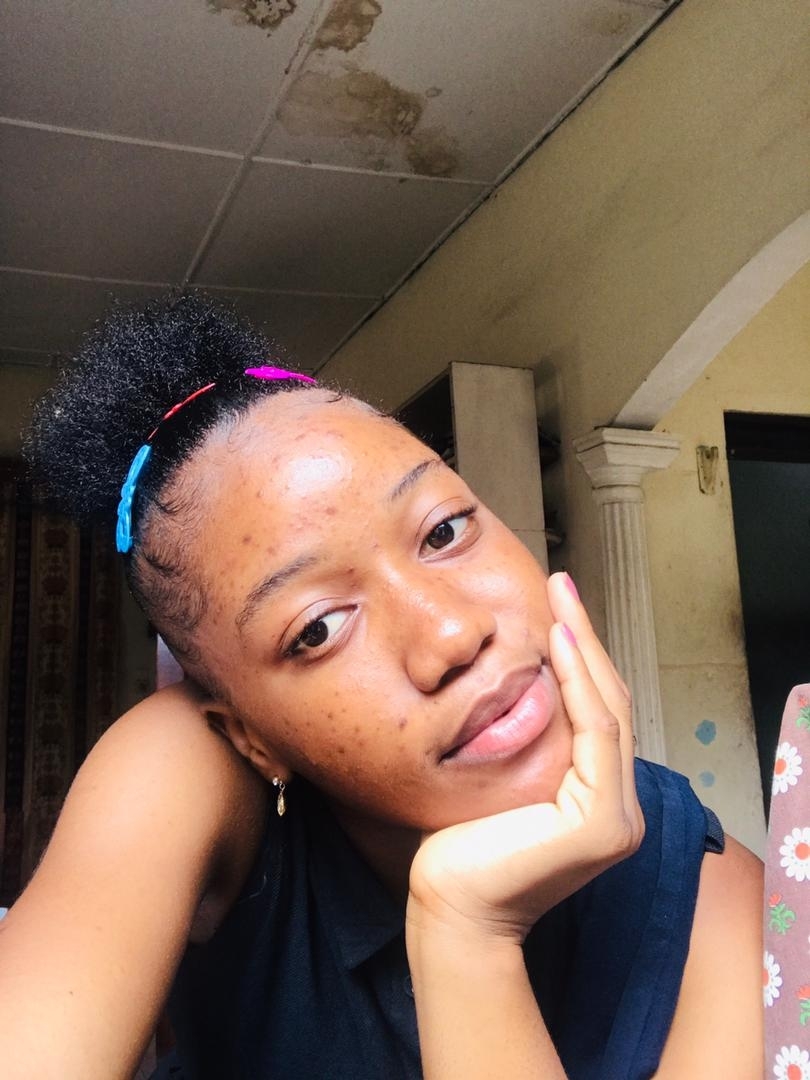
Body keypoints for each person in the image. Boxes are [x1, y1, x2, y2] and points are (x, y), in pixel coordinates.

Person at [0, 294, 762, 1079]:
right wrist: (470, 927)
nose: (452, 634)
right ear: (252, 739)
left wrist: (467, 940)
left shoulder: (714, 900)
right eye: (319, 628)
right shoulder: (182, 770)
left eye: (444, 531)